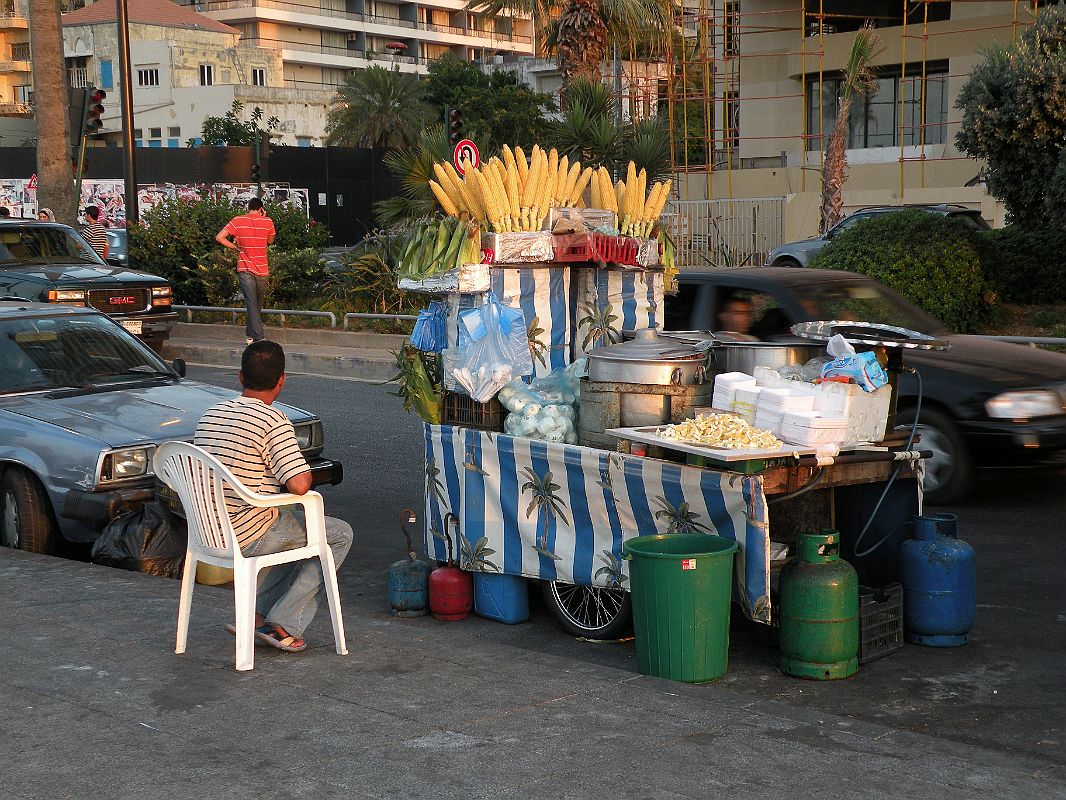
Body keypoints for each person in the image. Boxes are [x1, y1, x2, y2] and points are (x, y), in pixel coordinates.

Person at [194, 341, 353, 653]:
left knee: (292, 527)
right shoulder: (272, 421)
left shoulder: (210, 415)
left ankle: (255, 616)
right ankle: (285, 623)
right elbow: (300, 485)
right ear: (282, 380)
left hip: (207, 530)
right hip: (249, 534)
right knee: (336, 535)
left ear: (240, 377)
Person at [216, 197, 276, 346]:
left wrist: (235, 247)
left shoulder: (237, 220)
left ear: (248, 208)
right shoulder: (268, 221)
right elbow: (270, 241)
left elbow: (219, 237)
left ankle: (250, 333)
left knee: (252, 304)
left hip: (245, 268)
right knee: (256, 304)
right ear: (261, 209)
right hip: (262, 269)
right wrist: (264, 218)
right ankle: (259, 338)